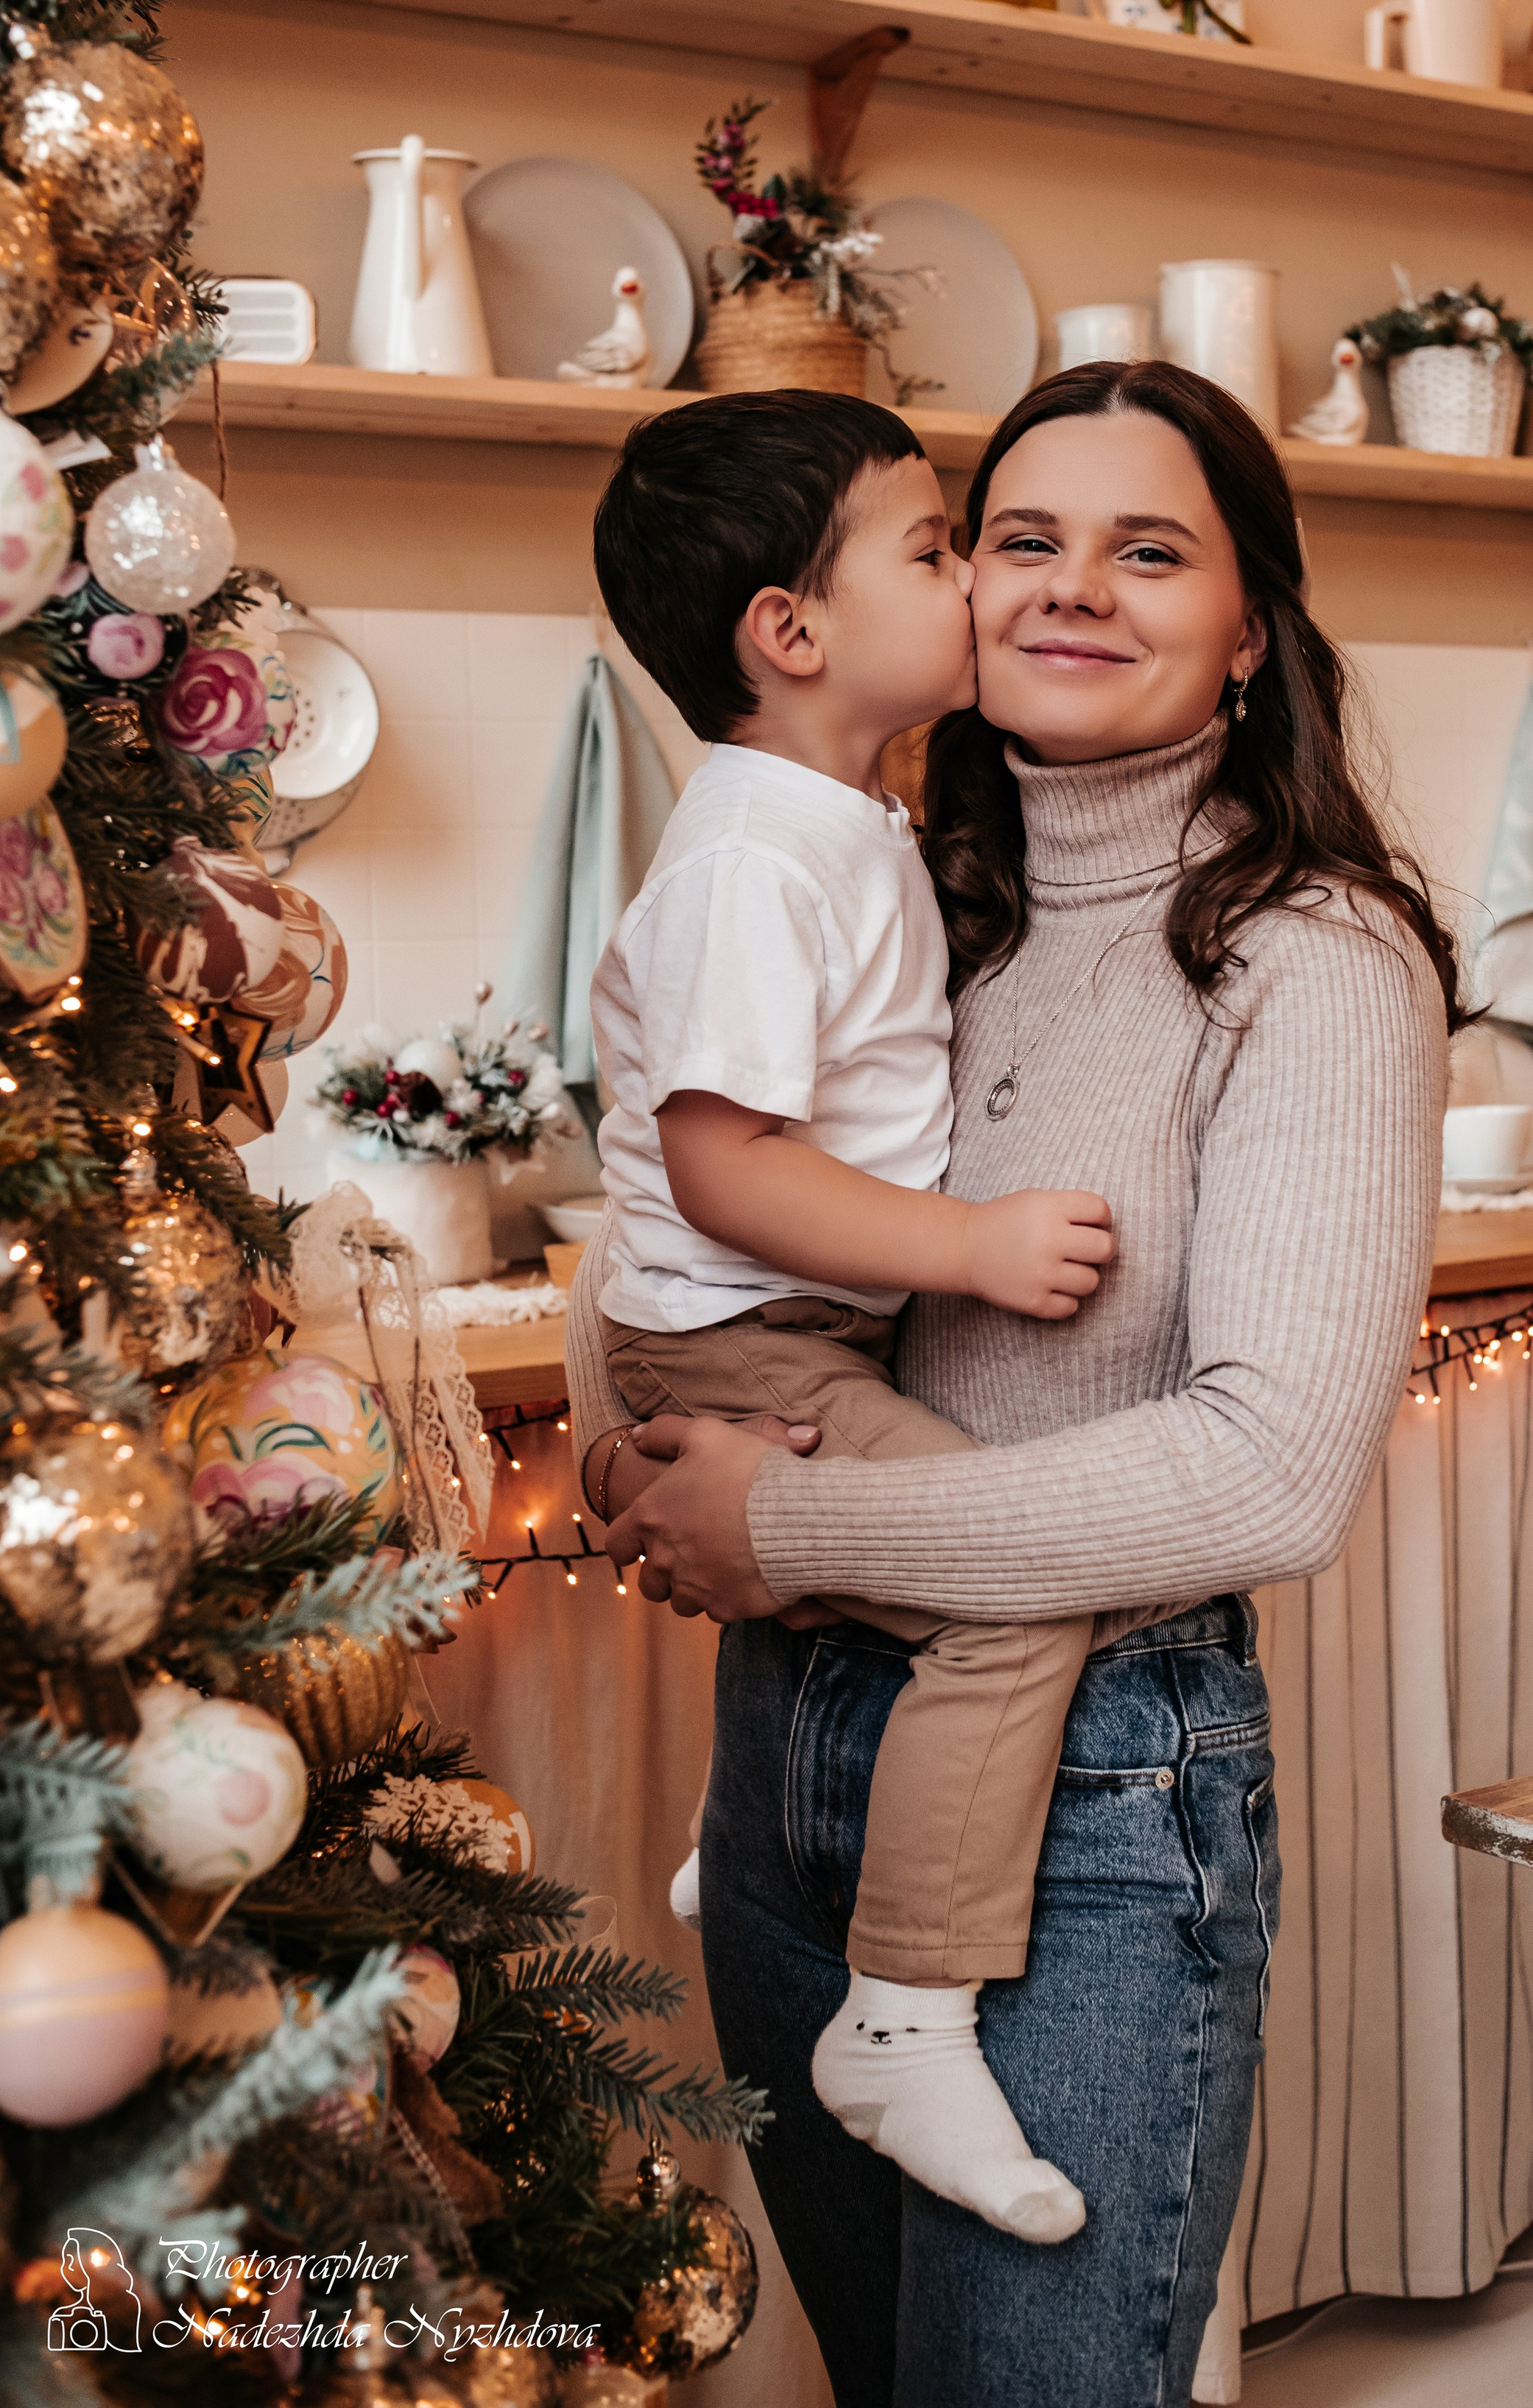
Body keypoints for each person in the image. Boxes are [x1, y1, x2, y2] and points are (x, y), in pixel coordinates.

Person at [574, 360, 1459, 2407]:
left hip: (1093, 1790)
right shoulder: (907, 900)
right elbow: (704, 1192)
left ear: (1253, 626)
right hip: (796, 1732)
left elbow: (1267, 1476)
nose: (1067, 588)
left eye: (1151, 549)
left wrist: (777, 1513)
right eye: (1016, 538)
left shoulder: (1309, 958)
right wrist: (650, 1421)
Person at [584, 388, 1133, 2245]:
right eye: (933, 545)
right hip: (754, 1339)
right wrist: (968, 1247)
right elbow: (726, 1165)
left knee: (915, 1563)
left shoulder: (839, 817)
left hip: (779, 1333)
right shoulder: (757, 856)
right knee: (1011, 1589)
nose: (978, 577)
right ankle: (900, 2015)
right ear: (788, 632)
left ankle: (769, 1848)